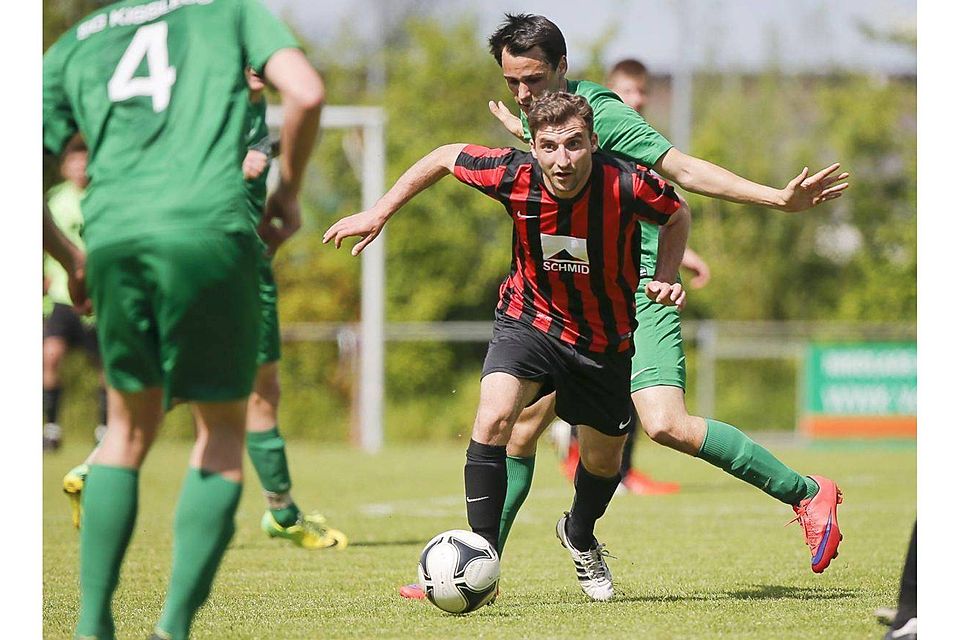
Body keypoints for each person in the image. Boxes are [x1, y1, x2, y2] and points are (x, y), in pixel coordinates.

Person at [326, 92, 690, 601]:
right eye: (549, 147)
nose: (562, 159)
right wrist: (379, 212)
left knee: (603, 462)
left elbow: (677, 216)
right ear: (534, 148)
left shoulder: (626, 183)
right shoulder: (513, 176)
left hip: (603, 339)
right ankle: (483, 562)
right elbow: (444, 156)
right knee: (494, 417)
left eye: (574, 145)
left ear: (592, 142)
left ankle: (580, 534)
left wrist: (667, 275)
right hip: (529, 320)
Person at [43, 1, 323, 638]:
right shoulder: (227, 12)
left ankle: (92, 626)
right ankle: (171, 629)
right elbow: (306, 91)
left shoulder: (75, 41)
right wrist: (288, 191)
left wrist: (71, 257)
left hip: (113, 235)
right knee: (222, 427)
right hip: (207, 229)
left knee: (124, 430)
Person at [60, 68, 348, 551]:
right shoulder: (214, 106)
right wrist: (247, 176)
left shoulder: (246, 107)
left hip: (226, 255)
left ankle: (98, 465)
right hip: (231, 261)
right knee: (251, 394)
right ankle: (279, 512)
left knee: (220, 388)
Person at [557, 57, 715, 496]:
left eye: (642, 91)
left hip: (642, 273)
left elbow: (654, 215)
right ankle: (581, 458)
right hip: (603, 276)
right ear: (606, 94)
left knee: (630, 387)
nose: (638, 99)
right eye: (628, 91)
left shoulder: (635, 145)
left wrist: (684, 257)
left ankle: (611, 469)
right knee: (577, 377)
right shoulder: (594, 141)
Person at [42, 135, 108, 451]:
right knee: (50, 356)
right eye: (75, 161)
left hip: (98, 296)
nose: (81, 167)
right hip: (61, 296)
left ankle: (106, 429)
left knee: (105, 367)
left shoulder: (104, 197)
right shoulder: (54, 200)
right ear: (65, 167)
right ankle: (51, 427)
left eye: (86, 161)